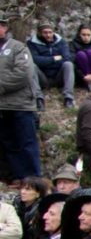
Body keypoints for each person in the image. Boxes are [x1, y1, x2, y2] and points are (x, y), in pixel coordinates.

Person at [0, 15, 42, 181]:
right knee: (8, 143)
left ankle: (34, 179)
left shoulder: (18, 47)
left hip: (20, 104)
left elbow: (23, 74)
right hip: (2, 107)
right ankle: (18, 177)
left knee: (27, 142)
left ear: (5, 27)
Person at [27, 22, 75, 108]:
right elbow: (35, 60)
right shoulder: (32, 43)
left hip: (58, 76)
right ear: (39, 33)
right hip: (43, 77)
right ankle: (38, 98)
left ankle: (68, 98)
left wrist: (45, 61)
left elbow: (67, 58)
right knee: (31, 66)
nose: (48, 35)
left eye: (50, 32)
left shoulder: (61, 42)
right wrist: (54, 59)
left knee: (68, 64)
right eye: (45, 33)